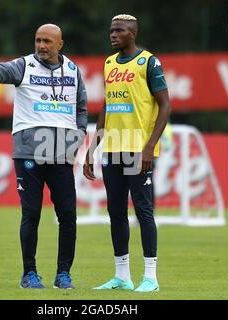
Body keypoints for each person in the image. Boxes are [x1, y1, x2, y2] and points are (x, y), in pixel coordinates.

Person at [0, 23, 88, 289]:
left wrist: (79, 135)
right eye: (38, 40)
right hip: (29, 151)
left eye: (47, 41)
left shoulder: (73, 71)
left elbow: (81, 108)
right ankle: (29, 274)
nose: (41, 45)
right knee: (31, 213)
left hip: (61, 152)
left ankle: (64, 274)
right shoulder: (24, 66)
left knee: (68, 216)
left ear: (60, 44)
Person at [83, 14, 171, 292]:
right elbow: (107, 107)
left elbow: (165, 105)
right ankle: (122, 276)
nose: (113, 35)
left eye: (119, 30)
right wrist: (92, 147)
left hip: (138, 149)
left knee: (144, 211)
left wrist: (149, 147)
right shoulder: (109, 63)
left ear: (132, 33)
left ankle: (151, 278)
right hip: (113, 148)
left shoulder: (149, 62)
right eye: (111, 30)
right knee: (116, 212)